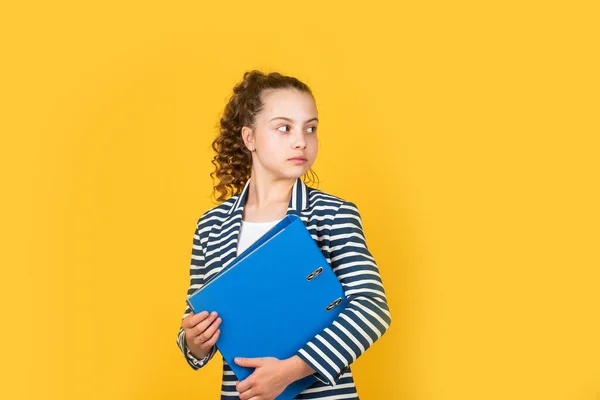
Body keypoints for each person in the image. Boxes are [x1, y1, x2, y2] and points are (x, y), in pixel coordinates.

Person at [176, 70, 392, 400]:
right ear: (250, 138)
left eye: (311, 128)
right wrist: (194, 341)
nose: (300, 140)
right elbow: (194, 323)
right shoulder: (212, 225)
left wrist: (293, 369)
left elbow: (372, 308)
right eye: (284, 127)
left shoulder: (333, 214)